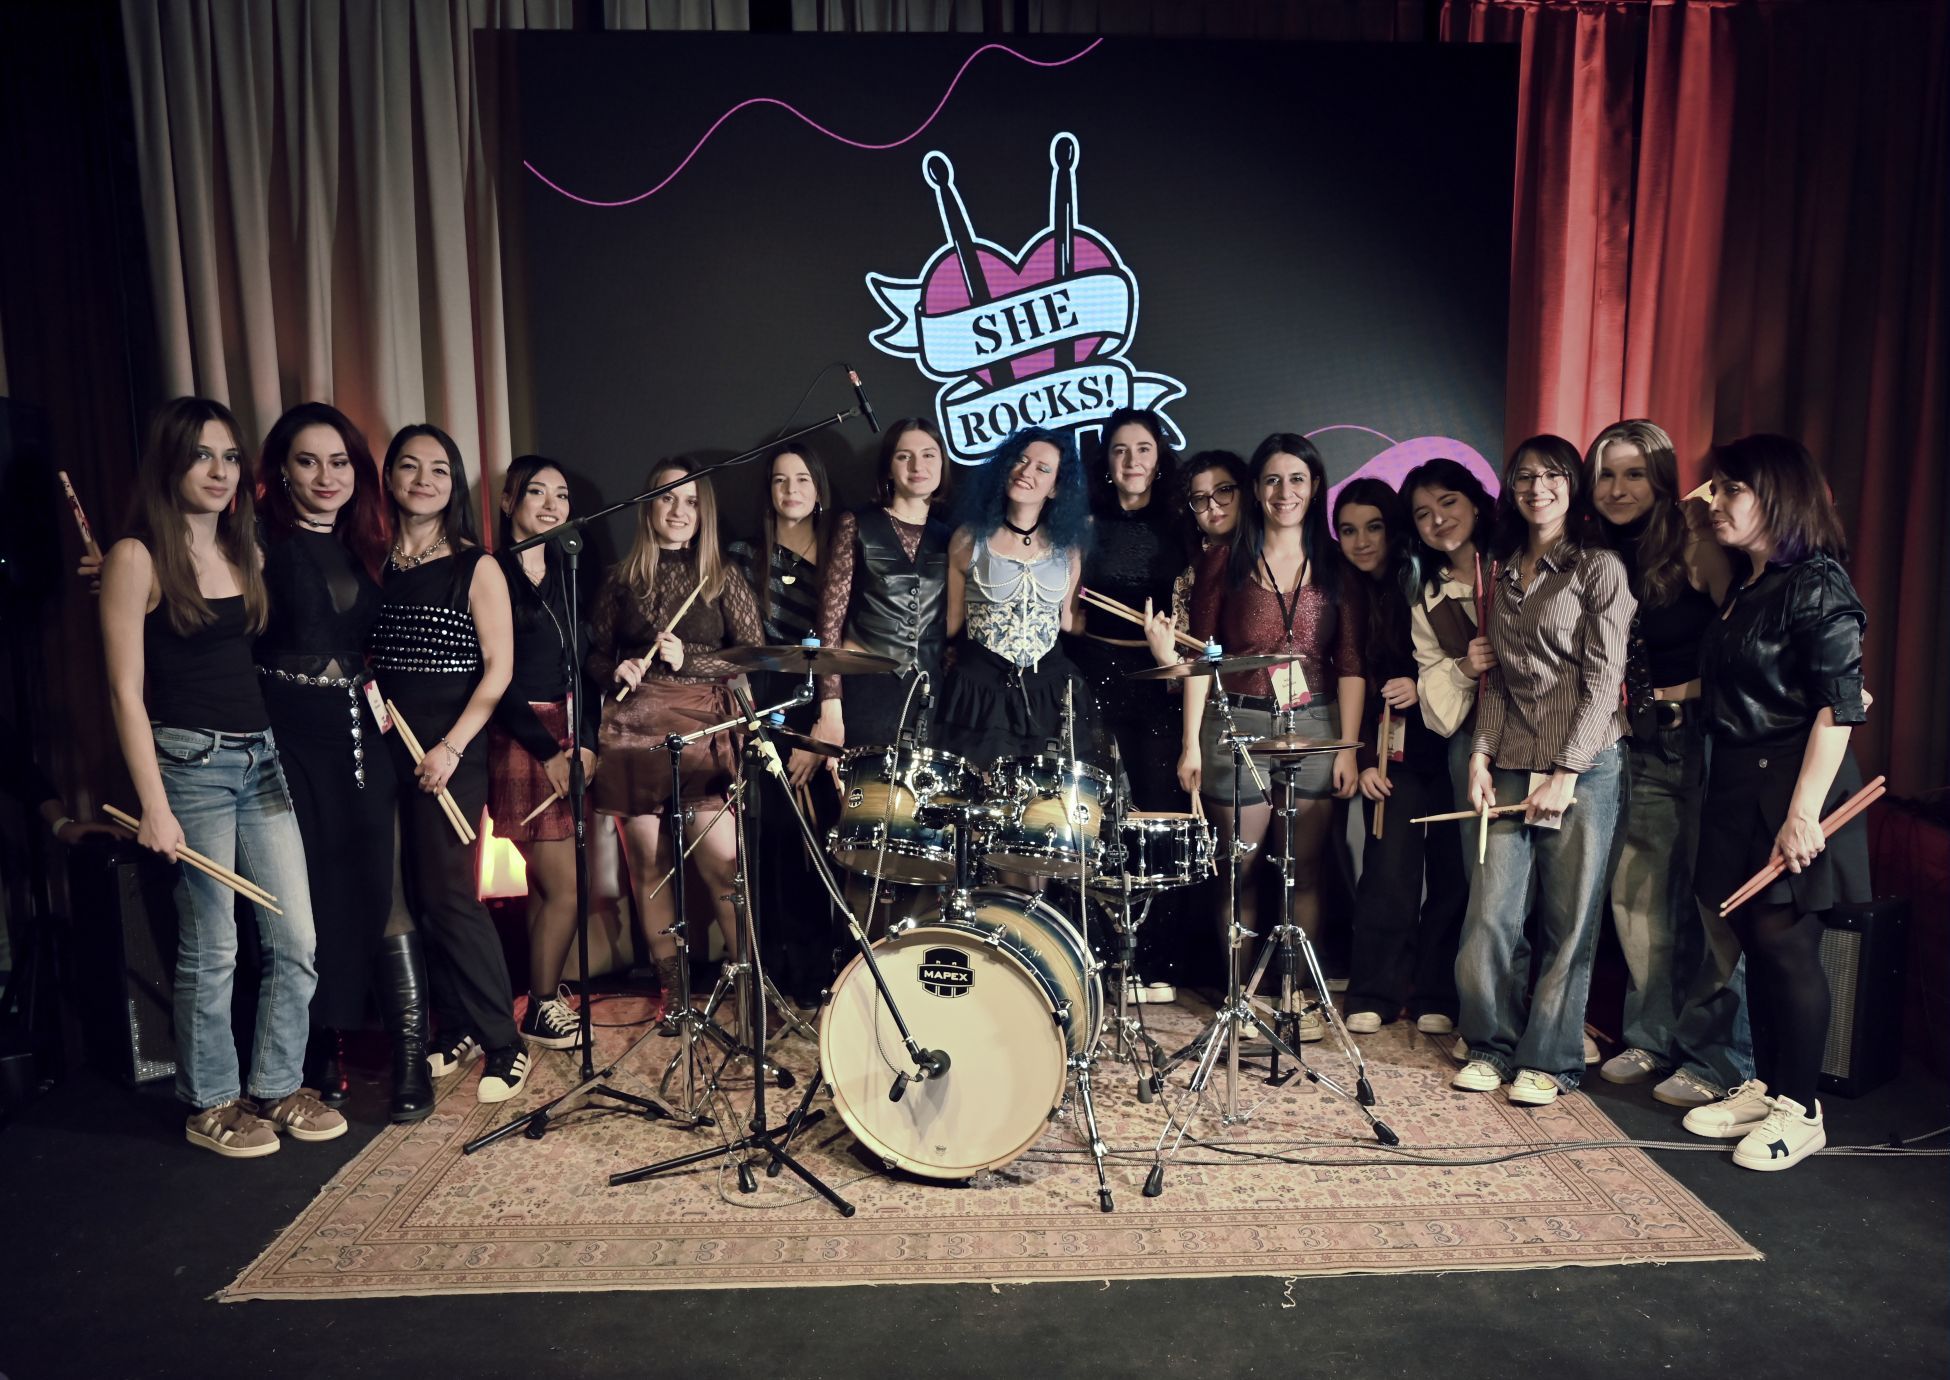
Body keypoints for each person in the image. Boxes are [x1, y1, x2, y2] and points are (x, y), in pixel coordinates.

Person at [100, 397, 342, 1156]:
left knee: (296, 937)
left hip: (260, 757)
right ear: (169, 462)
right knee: (215, 945)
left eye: (230, 456)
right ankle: (210, 1102)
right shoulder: (135, 557)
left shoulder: (246, 550)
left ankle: (275, 1085)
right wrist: (153, 805)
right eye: (202, 455)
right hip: (188, 765)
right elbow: (125, 694)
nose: (219, 471)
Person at [1676, 434, 1870, 1172]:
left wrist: (1803, 814)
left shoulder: (1818, 582)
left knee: (1788, 947)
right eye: (1715, 486)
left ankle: (1802, 1108)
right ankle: (1767, 1085)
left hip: (1793, 782)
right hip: (1738, 778)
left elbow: (1839, 708)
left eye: (1732, 488)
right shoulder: (1749, 581)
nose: (1715, 501)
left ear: (1779, 496)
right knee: (1755, 942)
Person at [254, 403, 428, 1121]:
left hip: (362, 738)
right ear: (282, 471)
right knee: (308, 899)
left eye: (340, 462)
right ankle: (318, 1053)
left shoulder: (369, 546)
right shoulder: (256, 542)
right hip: (287, 738)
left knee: (383, 888)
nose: (327, 476)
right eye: (308, 461)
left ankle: (411, 1058)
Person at [1453, 436, 1633, 1106]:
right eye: (1525, 476)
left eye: (1552, 475)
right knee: (1490, 916)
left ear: (1573, 484)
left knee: (1569, 922)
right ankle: (1490, 1044)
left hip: (1587, 765)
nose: (1538, 488)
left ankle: (1550, 1059)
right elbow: (1498, 679)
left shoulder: (1599, 567)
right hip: (1511, 757)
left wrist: (1567, 770)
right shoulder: (1503, 569)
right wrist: (1480, 754)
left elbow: (1604, 680)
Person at [1585, 421, 1753, 1107]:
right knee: (1639, 899)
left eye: (1633, 473)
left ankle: (1717, 1059)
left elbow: (1742, 643)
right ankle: (1651, 1037)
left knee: (1712, 903)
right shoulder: (1594, 552)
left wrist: (1678, 694)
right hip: (1638, 743)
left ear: (1660, 476)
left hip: (1705, 739)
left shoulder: (1695, 537)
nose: (1618, 489)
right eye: (1606, 474)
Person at [1180, 434, 1364, 1037]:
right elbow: (1203, 657)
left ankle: (1295, 996)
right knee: (1239, 870)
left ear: (1315, 487)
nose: (1285, 492)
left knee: (1304, 870)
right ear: (1257, 490)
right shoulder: (1225, 560)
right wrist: (1190, 743)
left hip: (1314, 725)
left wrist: (1347, 748)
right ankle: (1239, 999)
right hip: (1235, 723)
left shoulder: (1335, 566)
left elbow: (1351, 663)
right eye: (1272, 480)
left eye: (1297, 479)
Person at [369, 425, 524, 1103]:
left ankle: (506, 1043)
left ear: (454, 483)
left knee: (451, 896)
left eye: (438, 469)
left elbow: (499, 670)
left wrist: (452, 747)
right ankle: (454, 1027)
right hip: (384, 745)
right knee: (407, 895)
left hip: (450, 748)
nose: (423, 479)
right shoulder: (374, 564)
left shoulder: (476, 566)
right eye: (410, 466)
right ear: (390, 479)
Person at [588, 460, 761, 1022]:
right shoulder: (621, 579)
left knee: (723, 866)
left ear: (703, 512)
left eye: (690, 501)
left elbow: (752, 652)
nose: (679, 510)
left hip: (703, 730)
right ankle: (675, 995)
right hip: (634, 730)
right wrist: (615, 670)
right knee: (649, 865)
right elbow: (594, 654)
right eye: (667, 498)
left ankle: (748, 988)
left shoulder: (722, 575)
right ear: (649, 507)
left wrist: (692, 659)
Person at [1333, 478, 1464, 1035]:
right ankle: (1375, 992)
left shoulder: (1429, 575)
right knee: (1388, 871)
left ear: (1395, 528)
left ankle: (1438, 994)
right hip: (1390, 749)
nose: (1362, 541)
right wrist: (1363, 757)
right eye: (1348, 530)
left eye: (1374, 527)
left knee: (1453, 874)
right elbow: (1349, 682)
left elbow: (1470, 657)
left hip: (1456, 740)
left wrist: (1422, 685)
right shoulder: (1343, 592)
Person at [489, 456, 598, 1053]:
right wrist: (547, 749)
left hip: (569, 732)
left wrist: (587, 742)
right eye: (537, 492)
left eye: (562, 494)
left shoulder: (568, 569)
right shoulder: (492, 572)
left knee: (546, 886)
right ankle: (542, 1006)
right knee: (566, 887)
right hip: (522, 735)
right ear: (509, 501)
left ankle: (539, 994)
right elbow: (494, 677)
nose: (553, 505)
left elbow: (585, 667)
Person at [727, 444, 837, 1008]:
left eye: (802, 479)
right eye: (779, 480)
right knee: (767, 842)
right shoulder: (744, 555)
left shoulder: (842, 551)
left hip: (824, 702)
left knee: (818, 844)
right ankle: (768, 969)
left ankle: (819, 968)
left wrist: (820, 729)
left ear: (819, 488)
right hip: (763, 704)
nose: (791, 490)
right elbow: (742, 645)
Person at [934, 426, 1093, 770]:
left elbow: (1067, 621)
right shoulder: (968, 539)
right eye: (1021, 460)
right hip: (980, 692)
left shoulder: (1069, 549)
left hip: (1049, 693)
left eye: (1042, 468)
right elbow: (952, 622)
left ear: (1056, 488)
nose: (1026, 471)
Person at [811, 420, 951, 753]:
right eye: (904, 456)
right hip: (867, 690)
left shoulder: (952, 536)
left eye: (929, 455)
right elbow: (829, 624)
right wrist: (831, 707)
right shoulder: (857, 524)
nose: (918, 466)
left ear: (942, 465)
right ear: (889, 467)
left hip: (930, 697)